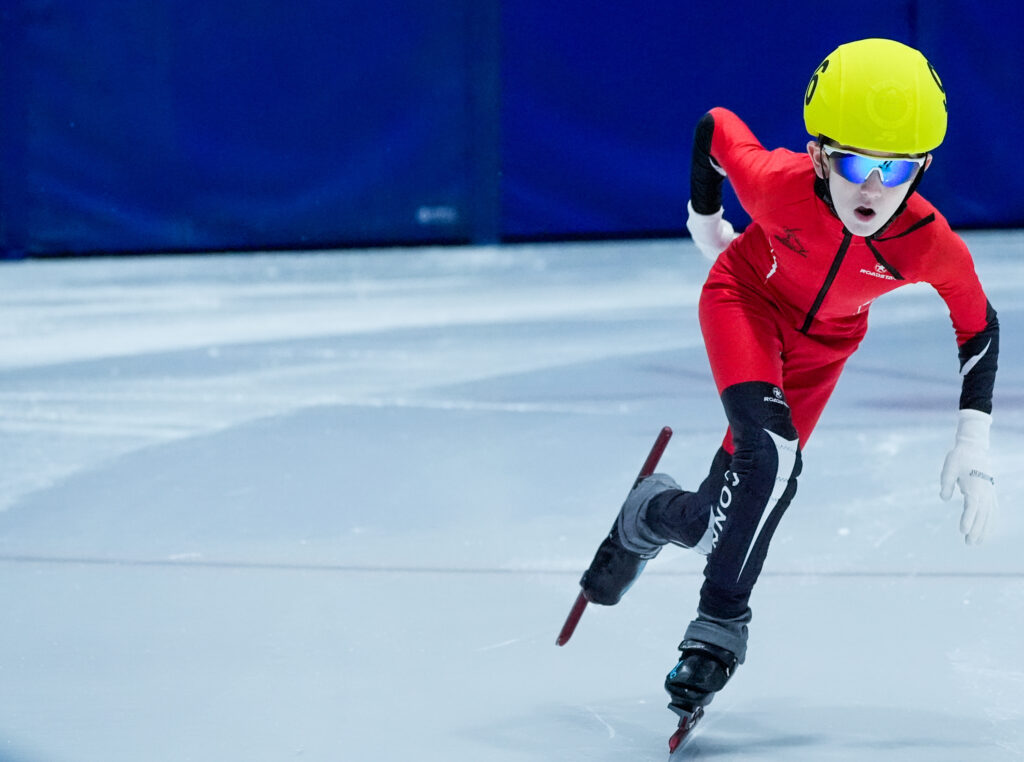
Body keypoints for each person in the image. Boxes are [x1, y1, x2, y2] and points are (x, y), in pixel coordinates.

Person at [579, 38, 999, 727]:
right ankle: (718, 630)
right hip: (743, 301)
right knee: (773, 454)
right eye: (856, 163)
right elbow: (715, 127)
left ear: (923, 168)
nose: (872, 189)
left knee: (724, 508)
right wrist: (706, 219)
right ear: (817, 156)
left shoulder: (928, 242)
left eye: (895, 171)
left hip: (823, 349)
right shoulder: (776, 183)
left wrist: (973, 445)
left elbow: (978, 326)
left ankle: (650, 514)